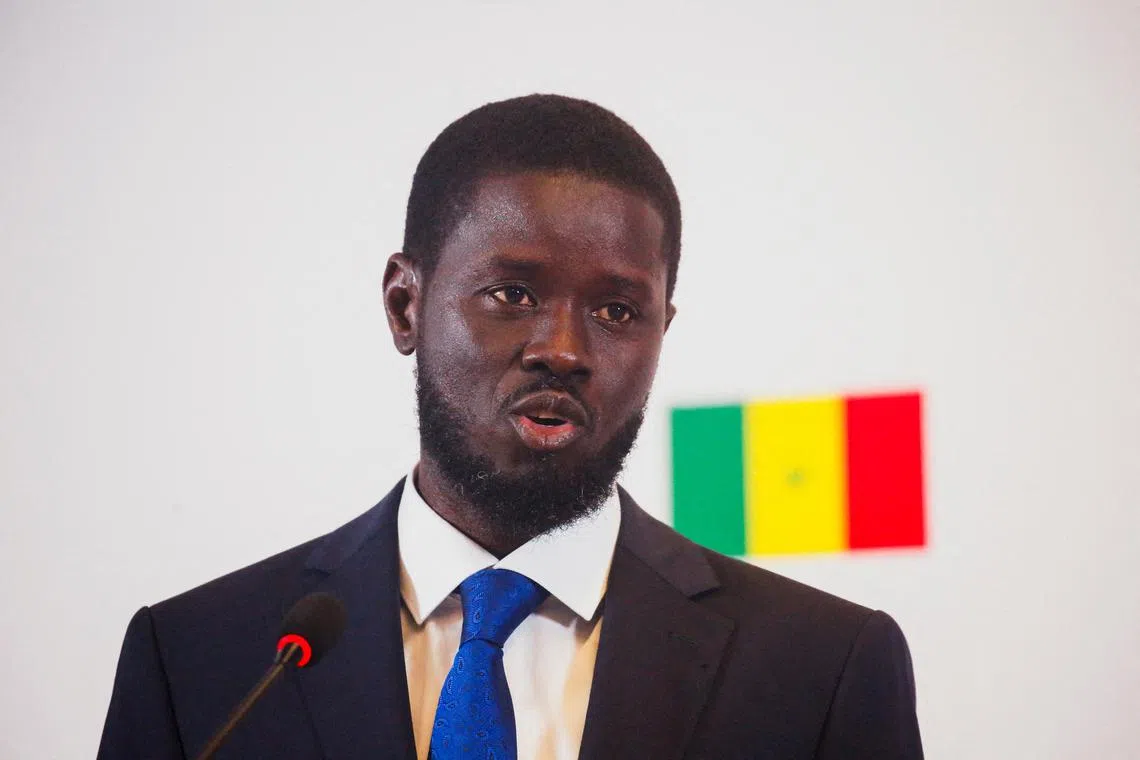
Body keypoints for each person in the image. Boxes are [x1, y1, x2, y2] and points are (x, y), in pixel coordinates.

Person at [98, 94, 923, 760]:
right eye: (513, 295)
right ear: (405, 305)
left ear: (661, 332)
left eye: (616, 310)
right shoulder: (204, 661)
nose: (562, 350)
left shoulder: (823, 668)